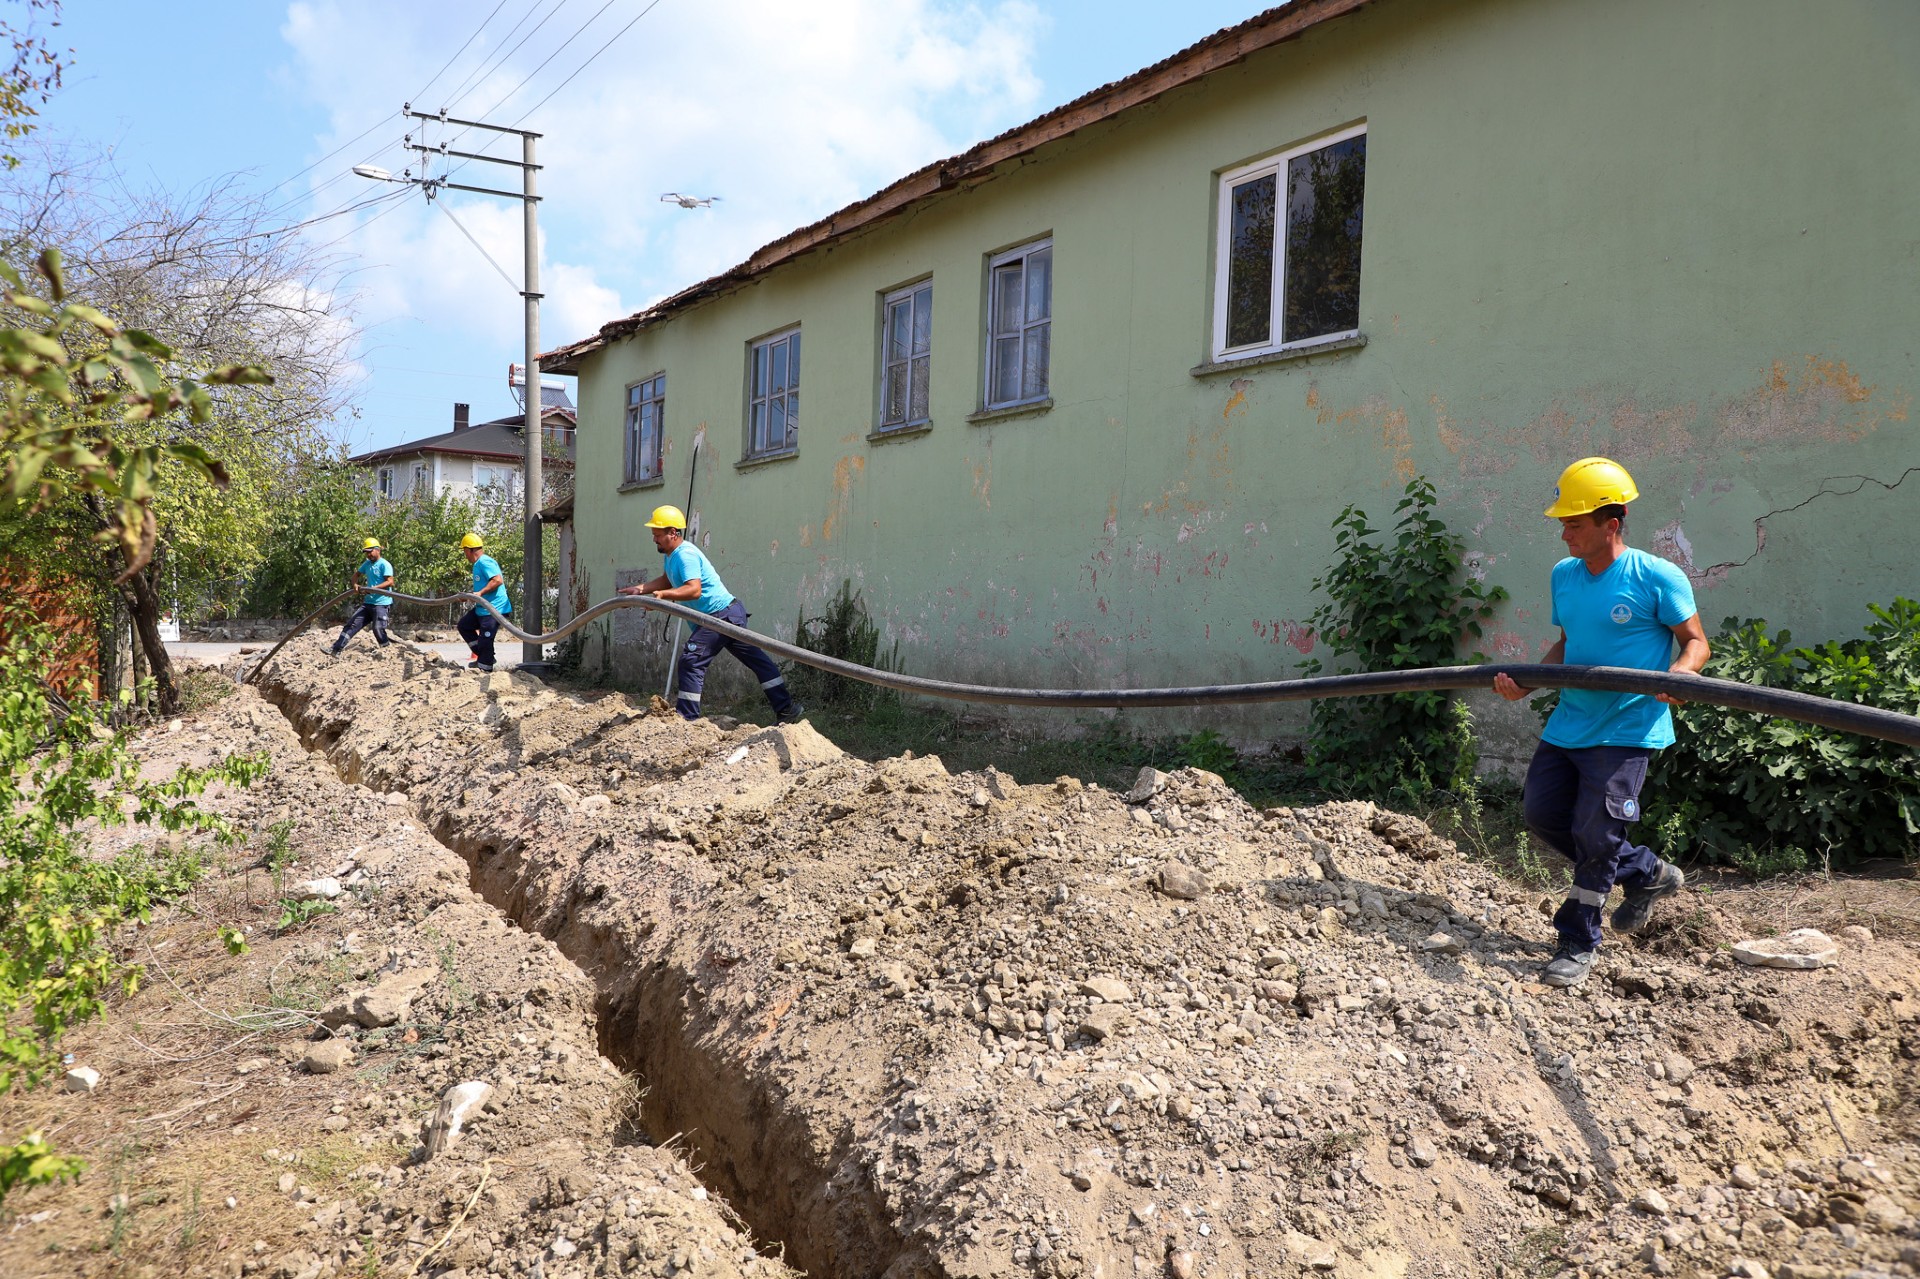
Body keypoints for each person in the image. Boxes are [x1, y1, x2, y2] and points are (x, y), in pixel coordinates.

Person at [1493, 457, 1711, 989]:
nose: (1564, 534)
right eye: (1563, 523)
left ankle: (1576, 940)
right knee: (1542, 812)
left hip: (1628, 724)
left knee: (1596, 831)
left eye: (1574, 523)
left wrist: (1680, 676)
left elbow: (1696, 643)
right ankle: (1649, 874)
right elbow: (1568, 644)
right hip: (1571, 721)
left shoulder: (1656, 576)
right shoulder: (1564, 576)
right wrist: (1528, 680)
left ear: (1610, 524)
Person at [617, 505, 803, 724]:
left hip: (718, 616)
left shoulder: (685, 555)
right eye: (654, 535)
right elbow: (668, 579)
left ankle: (687, 720)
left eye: (658, 535)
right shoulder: (672, 556)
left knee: (692, 660)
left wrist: (662, 597)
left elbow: (693, 589)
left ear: (673, 533)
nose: (654, 540)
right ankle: (786, 709)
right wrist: (640, 589)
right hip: (729, 613)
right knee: (757, 660)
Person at [456, 532, 511, 672]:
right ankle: (484, 657)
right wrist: (469, 596)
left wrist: (479, 594)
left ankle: (485, 669)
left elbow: (497, 580)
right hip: (482, 608)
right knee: (464, 625)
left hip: (494, 609)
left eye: (464, 551)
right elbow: (481, 587)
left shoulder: (485, 561)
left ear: (469, 550)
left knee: (486, 639)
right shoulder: (478, 564)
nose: (465, 555)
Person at [330, 537, 395, 655]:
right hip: (368, 603)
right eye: (366, 553)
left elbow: (390, 582)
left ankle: (387, 652)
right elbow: (356, 575)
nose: (368, 555)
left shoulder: (384, 565)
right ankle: (336, 649)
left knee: (378, 629)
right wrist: (355, 584)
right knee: (352, 624)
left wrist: (374, 589)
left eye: (370, 552)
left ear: (377, 550)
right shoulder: (367, 564)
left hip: (381, 603)